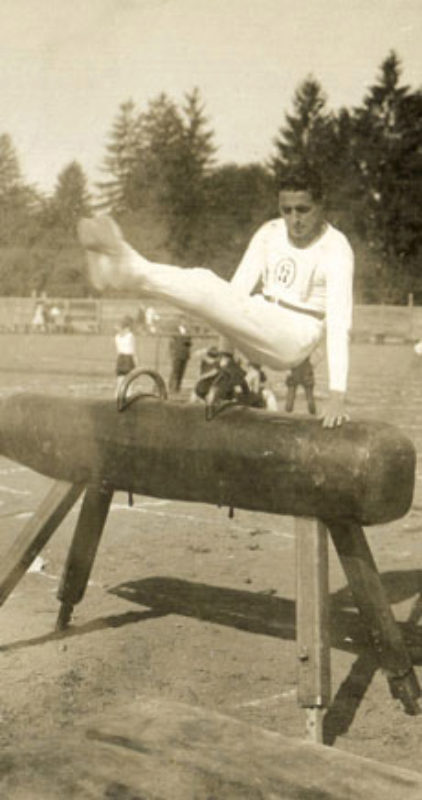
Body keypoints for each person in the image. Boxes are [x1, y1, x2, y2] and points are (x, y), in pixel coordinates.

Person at [77, 165, 354, 427]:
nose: (294, 219)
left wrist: (337, 395)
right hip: (261, 317)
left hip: (295, 335)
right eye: (287, 210)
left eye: (303, 210)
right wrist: (226, 358)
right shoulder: (269, 233)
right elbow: (234, 296)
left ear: (321, 205)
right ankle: (125, 269)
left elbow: (340, 325)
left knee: (209, 286)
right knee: (206, 282)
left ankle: (126, 265)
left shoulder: (337, 249)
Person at [114, 315, 138, 397]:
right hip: (128, 359)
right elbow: (133, 352)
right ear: (127, 327)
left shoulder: (117, 337)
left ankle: (117, 398)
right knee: (130, 383)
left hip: (120, 359)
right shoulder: (130, 336)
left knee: (120, 382)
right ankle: (127, 398)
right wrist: (136, 364)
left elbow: (118, 350)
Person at [168, 316, 192, 393]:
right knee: (175, 371)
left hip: (184, 354)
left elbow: (189, 342)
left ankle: (178, 387)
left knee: (182, 372)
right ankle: (172, 387)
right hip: (177, 354)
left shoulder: (187, 331)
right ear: (180, 321)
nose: (185, 323)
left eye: (186, 321)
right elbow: (171, 343)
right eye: (183, 321)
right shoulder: (175, 331)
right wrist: (172, 352)